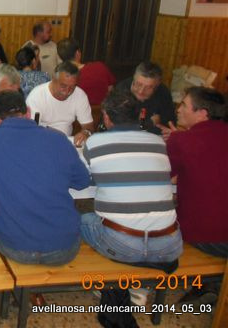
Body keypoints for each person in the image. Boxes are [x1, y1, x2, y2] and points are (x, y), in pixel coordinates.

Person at [0, 90, 90, 265]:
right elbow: (82, 182)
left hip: (16, 249)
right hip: (64, 249)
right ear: (29, 112)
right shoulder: (58, 139)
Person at [80, 89, 182, 266]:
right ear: (140, 115)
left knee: (83, 219)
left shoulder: (94, 142)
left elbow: (88, 178)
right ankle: (144, 270)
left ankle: (126, 268)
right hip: (169, 245)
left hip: (123, 244)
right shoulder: (158, 142)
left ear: (106, 117)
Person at [165, 87, 227, 257]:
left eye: (184, 105)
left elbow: (160, 178)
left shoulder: (181, 140)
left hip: (208, 236)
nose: (178, 109)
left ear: (202, 114)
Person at [26, 61, 94, 146]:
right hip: (41, 142)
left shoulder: (80, 95)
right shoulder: (36, 96)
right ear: (53, 79)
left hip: (67, 142)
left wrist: (85, 132)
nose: (67, 91)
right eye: (63, 86)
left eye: (72, 87)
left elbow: (88, 126)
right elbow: (30, 130)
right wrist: (56, 134)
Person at [116, 62, 175, 135]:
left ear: (157, 86)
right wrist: (151, 122)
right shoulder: (121, 91)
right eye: (138, 84)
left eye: (148, 88)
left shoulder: (163, 93)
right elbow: (120, 127)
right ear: (134, 78)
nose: (141, 91)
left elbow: (169, 122)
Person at [56, 38, 115, 105]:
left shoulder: (61, 77)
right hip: (102, 110)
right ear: (77, 53)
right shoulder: (100, 66)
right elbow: (111, 90)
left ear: (60, 57)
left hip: (77, 110)